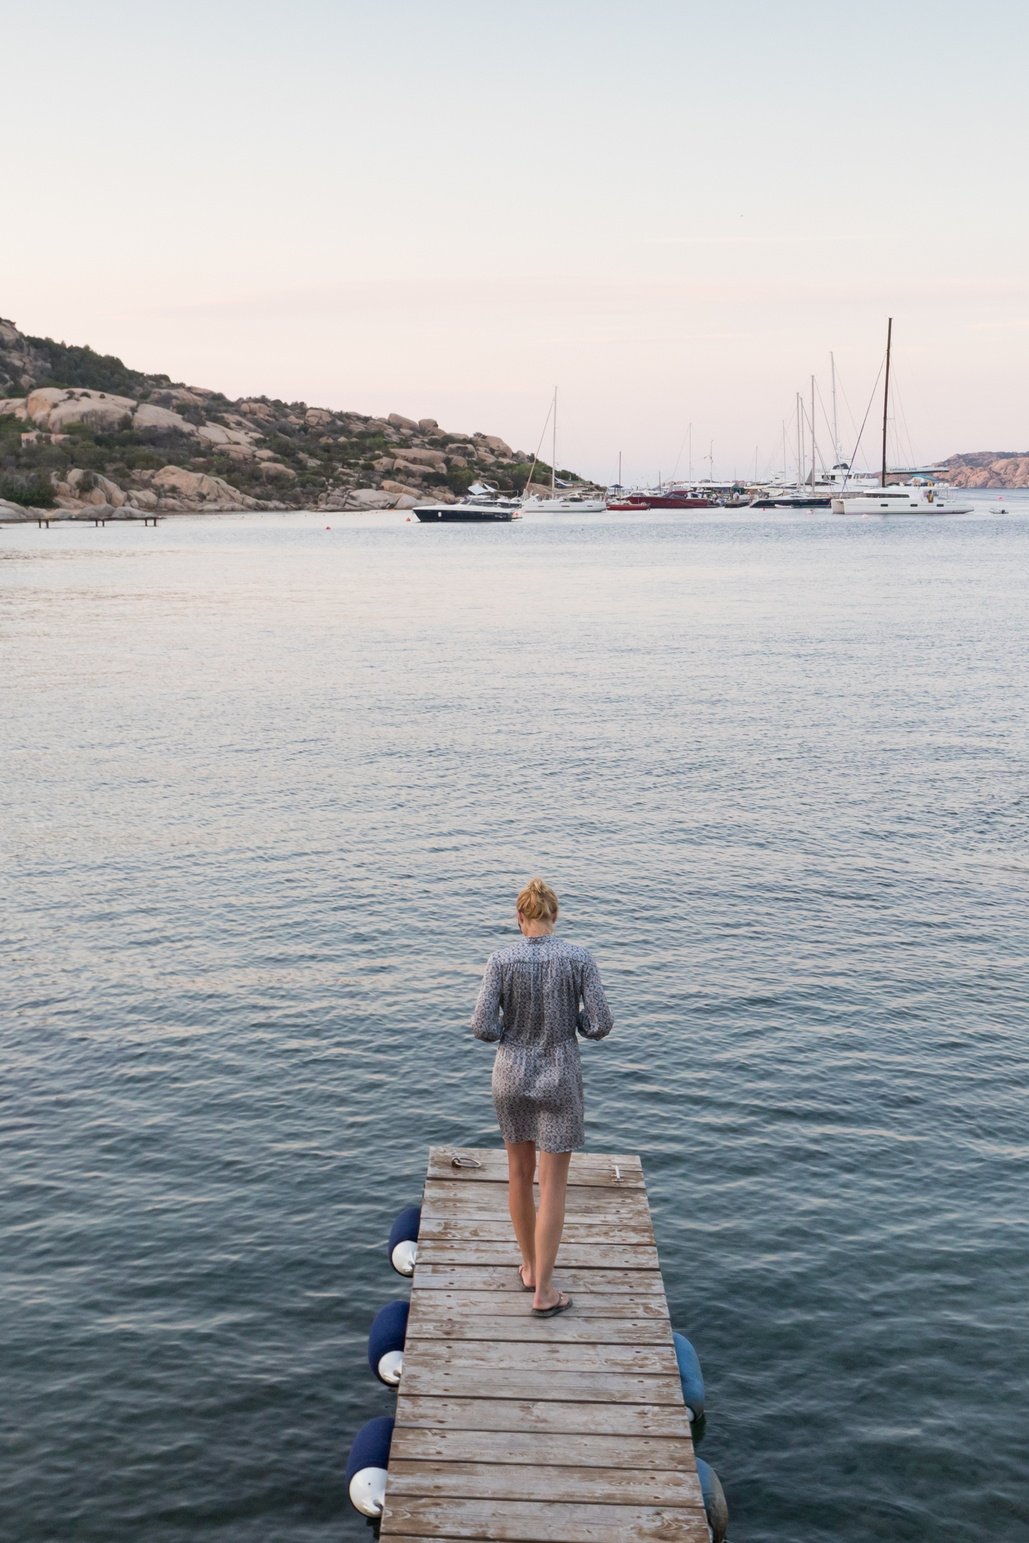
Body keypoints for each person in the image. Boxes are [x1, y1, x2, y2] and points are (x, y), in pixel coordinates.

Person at [471, 878, 613, 1317]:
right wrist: (576, 1028)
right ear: (555, 915)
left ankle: (530, 1269)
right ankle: (544, 1292)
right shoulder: (578, 958)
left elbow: (482, 1026)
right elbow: (601, 1023)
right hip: (560, 1076)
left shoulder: (500, 959)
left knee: (518, 1173)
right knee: (552, 1185)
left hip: (510, 1076)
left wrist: (508, 1034)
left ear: (519, 918)